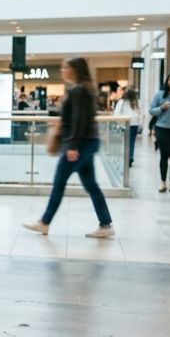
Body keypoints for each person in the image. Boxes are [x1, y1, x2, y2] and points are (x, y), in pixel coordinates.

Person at [23, 57, 114, 238]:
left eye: (66, 67)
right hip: (88, 142)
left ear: (75, 70)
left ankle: (45, 222)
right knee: (91, 185)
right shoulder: (86, 90)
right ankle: (106, 224)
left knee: (59, 182)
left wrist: (72, 146)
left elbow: (78, 120)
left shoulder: (77, 91)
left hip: (79, 144)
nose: (63, 70)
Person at [113, 87, 140, 167]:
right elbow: (140, 114)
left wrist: (119, 123)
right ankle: (130, 156)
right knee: (131, 142)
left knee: (125, 142)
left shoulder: (122, 102)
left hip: (125, 124)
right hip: (134, 125)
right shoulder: (137, 102)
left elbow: (117, 113)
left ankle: (127, 157)